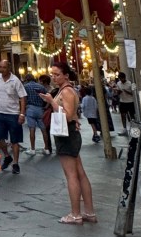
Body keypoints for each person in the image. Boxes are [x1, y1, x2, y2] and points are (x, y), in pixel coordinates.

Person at [42, 61, 96, 225]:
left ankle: (75, 214)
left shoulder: (66, 91)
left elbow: (67, 114)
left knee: (71, 175)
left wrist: (51, 101)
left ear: (66, 75)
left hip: (66, 134)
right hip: (70, 132)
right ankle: (89, 212)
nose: (54, 77)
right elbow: (72, 114)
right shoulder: (67, 90)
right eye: (52, 74)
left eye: (57, 74)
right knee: (80, 173)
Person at [0, 59, 27, 174]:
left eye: (4, 67)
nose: (1, 69)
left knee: (15, 140)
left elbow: (22, 97)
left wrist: (22, 114)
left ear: (9, 68)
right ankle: (7, 156)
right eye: (0, 67)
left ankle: (15, 163)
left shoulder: (15, 80)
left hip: (13, 114)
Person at [22, 73, 52, 155]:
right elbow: (48, 97)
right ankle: (46, 148)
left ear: (26, 79)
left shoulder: (25, 86)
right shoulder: (41, 87)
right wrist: (46, 107)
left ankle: (33, 149)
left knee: (32, 129)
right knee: (43, 129)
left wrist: (23, 110)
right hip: (40, 109)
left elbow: (23, 99)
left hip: (30, 108)